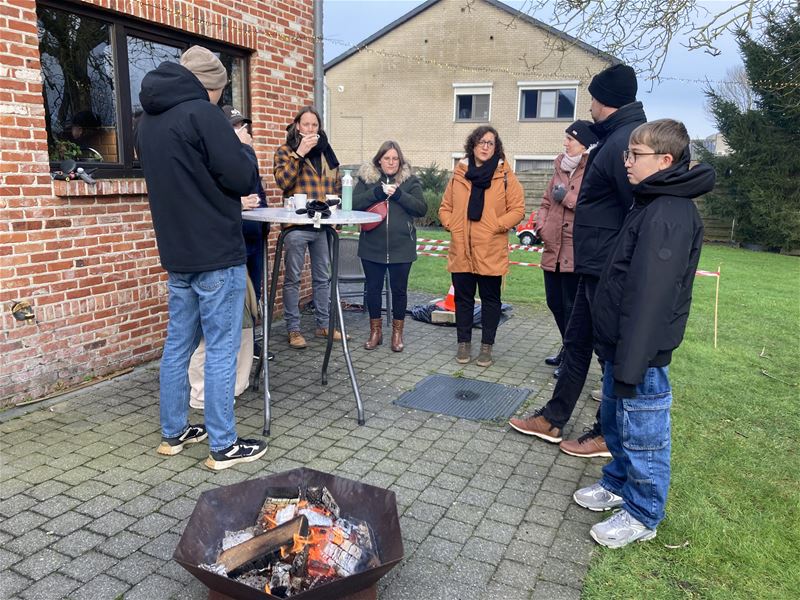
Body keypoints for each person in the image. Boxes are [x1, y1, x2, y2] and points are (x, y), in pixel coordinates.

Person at [574, 119, 715, 547]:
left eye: (635, 155)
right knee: (618, 425)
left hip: (642, 353)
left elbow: (652, 295)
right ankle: (618, 483)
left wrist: (632, 361)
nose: (627, 162)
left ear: (665, 160)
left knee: (644, 434)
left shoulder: (669, 212)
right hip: (622, 346)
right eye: (627, 154)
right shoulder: (649, 201)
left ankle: (643, 512)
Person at [135, 45, 268, 470]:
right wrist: (243, 144)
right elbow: (242, 176)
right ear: (210, 85)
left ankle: (173, 434)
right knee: (222, 348)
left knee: (177, 345)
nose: (220, 100)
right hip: (216, 251)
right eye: (220, 91)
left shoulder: (147, 122)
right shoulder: (202, 114)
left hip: (177, 255)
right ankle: (223, 445)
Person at [509, 63, 646, 458]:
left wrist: (616, 264)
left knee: (607, 352)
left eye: (593, 98)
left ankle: (609, 432)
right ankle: (553, 419)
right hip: (591, 265)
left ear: (607, 101)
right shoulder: (614, 138)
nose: (589, 105)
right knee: (576, 342)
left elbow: (633, 210)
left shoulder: (624, 142)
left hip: (606, 268)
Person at [439, 126, 525, 367]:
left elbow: (518, 209)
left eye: (491, 143)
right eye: (482, 142)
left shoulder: (505, 175)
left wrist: (496, 226)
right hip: (462, 249)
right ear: (473, 145)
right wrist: (451, 224)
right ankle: (463, 344)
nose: (486, 147)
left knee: (490, 300)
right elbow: (445, 206)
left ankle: (487, 346)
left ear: (496, 147)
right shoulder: (459, 173)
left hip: (490, 249)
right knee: (463, 300)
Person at [273, 106, 344, 349]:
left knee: (322, 278)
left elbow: (337, 184)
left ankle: (323, 324)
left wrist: (337, 215)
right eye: (306, 125)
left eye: (315, 125)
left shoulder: (327, 153)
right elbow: (283, 181)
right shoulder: (285, 151)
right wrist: (300, 153)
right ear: (297, 126)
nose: (311, 129)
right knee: (292, 279)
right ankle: (293, 329)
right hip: (296, 225)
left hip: (322, 225)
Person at [534, 121, 598, 379]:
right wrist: (541, 225)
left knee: (573, 308)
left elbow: (591, 207)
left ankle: (573, 357)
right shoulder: (559, 168)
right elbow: (546, 202)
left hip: (575, 249)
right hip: (553, 248)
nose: (565, 143)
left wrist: (567, 198)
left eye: (570, 139)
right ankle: (567, 347)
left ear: (583, 143)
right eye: (566, 139)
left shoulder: (592, 169)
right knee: (555, 303)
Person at [353, 141, 427, 352]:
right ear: (379, 160)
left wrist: (399, 195)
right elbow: (352, 203)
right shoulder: (367, 180)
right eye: (387, 158)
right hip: (371, 246)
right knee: (373, 290)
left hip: (402, 247)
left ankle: (397, 333)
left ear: (400, 161)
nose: (391, 162)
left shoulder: (410, 181)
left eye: (395, 158)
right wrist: (377, 193)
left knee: (399, 291)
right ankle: (375, 332)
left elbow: (421, 208)